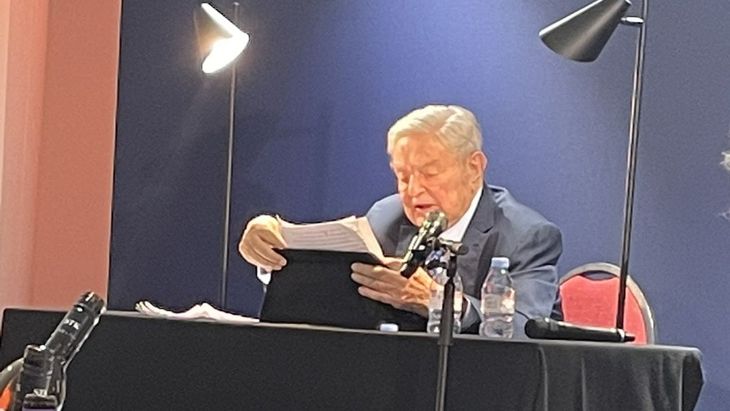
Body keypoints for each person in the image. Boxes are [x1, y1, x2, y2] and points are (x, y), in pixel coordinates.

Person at [239, 104, 562, 337]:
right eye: (403, 176)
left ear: (474, 168)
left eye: (429, 173)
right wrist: (274, 249)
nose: (413, 190)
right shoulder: (386, 217)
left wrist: (437, 301)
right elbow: (332, 289)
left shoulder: (526, 235)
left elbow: (524, 329)